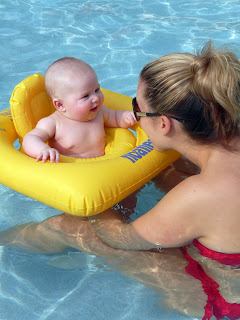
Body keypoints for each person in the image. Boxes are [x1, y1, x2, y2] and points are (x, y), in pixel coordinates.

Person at [1, 41, 240, 319]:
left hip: (221, 301)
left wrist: (94, 191)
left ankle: (4, 244)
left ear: (163, 124)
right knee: (166, 172)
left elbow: (121, 238)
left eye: (137, 106)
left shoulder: (198, 194)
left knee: (65, 226)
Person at [22, 57, 136, 162]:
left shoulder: (100, 113)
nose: (96, 98)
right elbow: (31, 138)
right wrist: (43, 149)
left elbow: (116, 118)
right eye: (85, 96)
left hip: (102, 168)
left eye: (97, 90)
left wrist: (126, 117)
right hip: (72, 174)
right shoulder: (53, 123)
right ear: (60, 105)